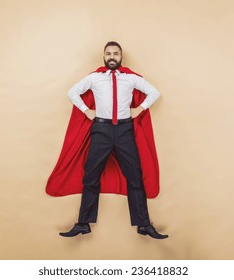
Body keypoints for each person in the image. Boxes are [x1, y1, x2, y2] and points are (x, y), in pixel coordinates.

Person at [52, 41, 168, 239]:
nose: (112, 57)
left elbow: (154, 92)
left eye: (115, 53)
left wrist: (139, 109)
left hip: (124, 130)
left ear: (121, 57)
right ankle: (83, 223)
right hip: (101, 129)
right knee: (91, 176)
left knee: (135, 177)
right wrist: (86, 111)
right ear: (104, 57)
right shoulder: (95, 78)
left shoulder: (130, 79)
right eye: (108, 54)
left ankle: (143, 224)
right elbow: (72, 92)